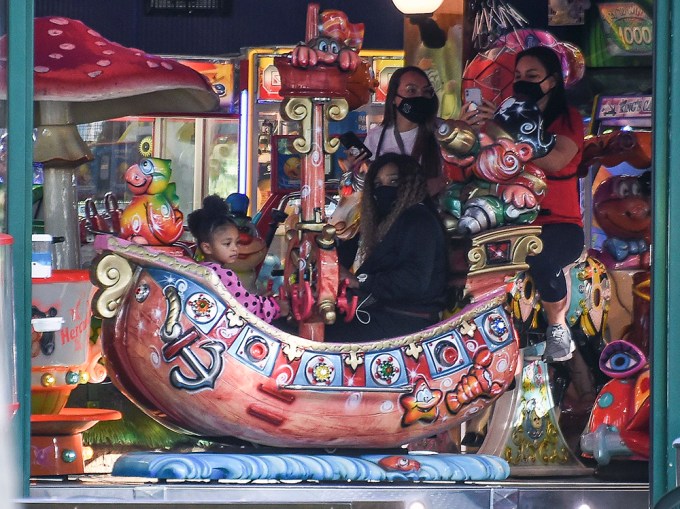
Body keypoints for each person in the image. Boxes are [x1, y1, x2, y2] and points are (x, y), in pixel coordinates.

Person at [462, 45, 585, 363]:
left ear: (552, 81)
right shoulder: (504, 114)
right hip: (508, 216)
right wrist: (475, 127)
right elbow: (481, 158)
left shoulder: (567, 119)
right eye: (518, 76)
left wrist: (513, 134)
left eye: (532, 76)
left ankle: (558, 329)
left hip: (558, 224)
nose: (522, 82)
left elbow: (558, 161)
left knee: (541, 258)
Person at [326, 153, 448, 342]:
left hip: (404, 322)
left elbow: (414, 281)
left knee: (321, 336)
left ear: (409, 184)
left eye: (393, 182)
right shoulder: (382, 225)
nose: (383, 190)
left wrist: (361, 281)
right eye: (377, 185)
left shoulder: (419, 221)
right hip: (377, 313)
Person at [344, 65, 445, 196]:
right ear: (393, 99)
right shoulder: (377, 136)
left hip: (431, 212)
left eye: (426, 92)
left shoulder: (442, 131)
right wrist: (354, 168)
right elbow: (369, 185)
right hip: (389, 213)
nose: (421, 97)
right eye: (411, 90)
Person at [187, 195, 288, 323]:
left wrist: (261, 300)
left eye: (236, 242)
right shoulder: (222, 275)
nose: (235, 248)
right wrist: (276, 307)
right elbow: (247, 308)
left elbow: (241, 299)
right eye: (227, 244)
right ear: (207, 248)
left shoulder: (204, 269)